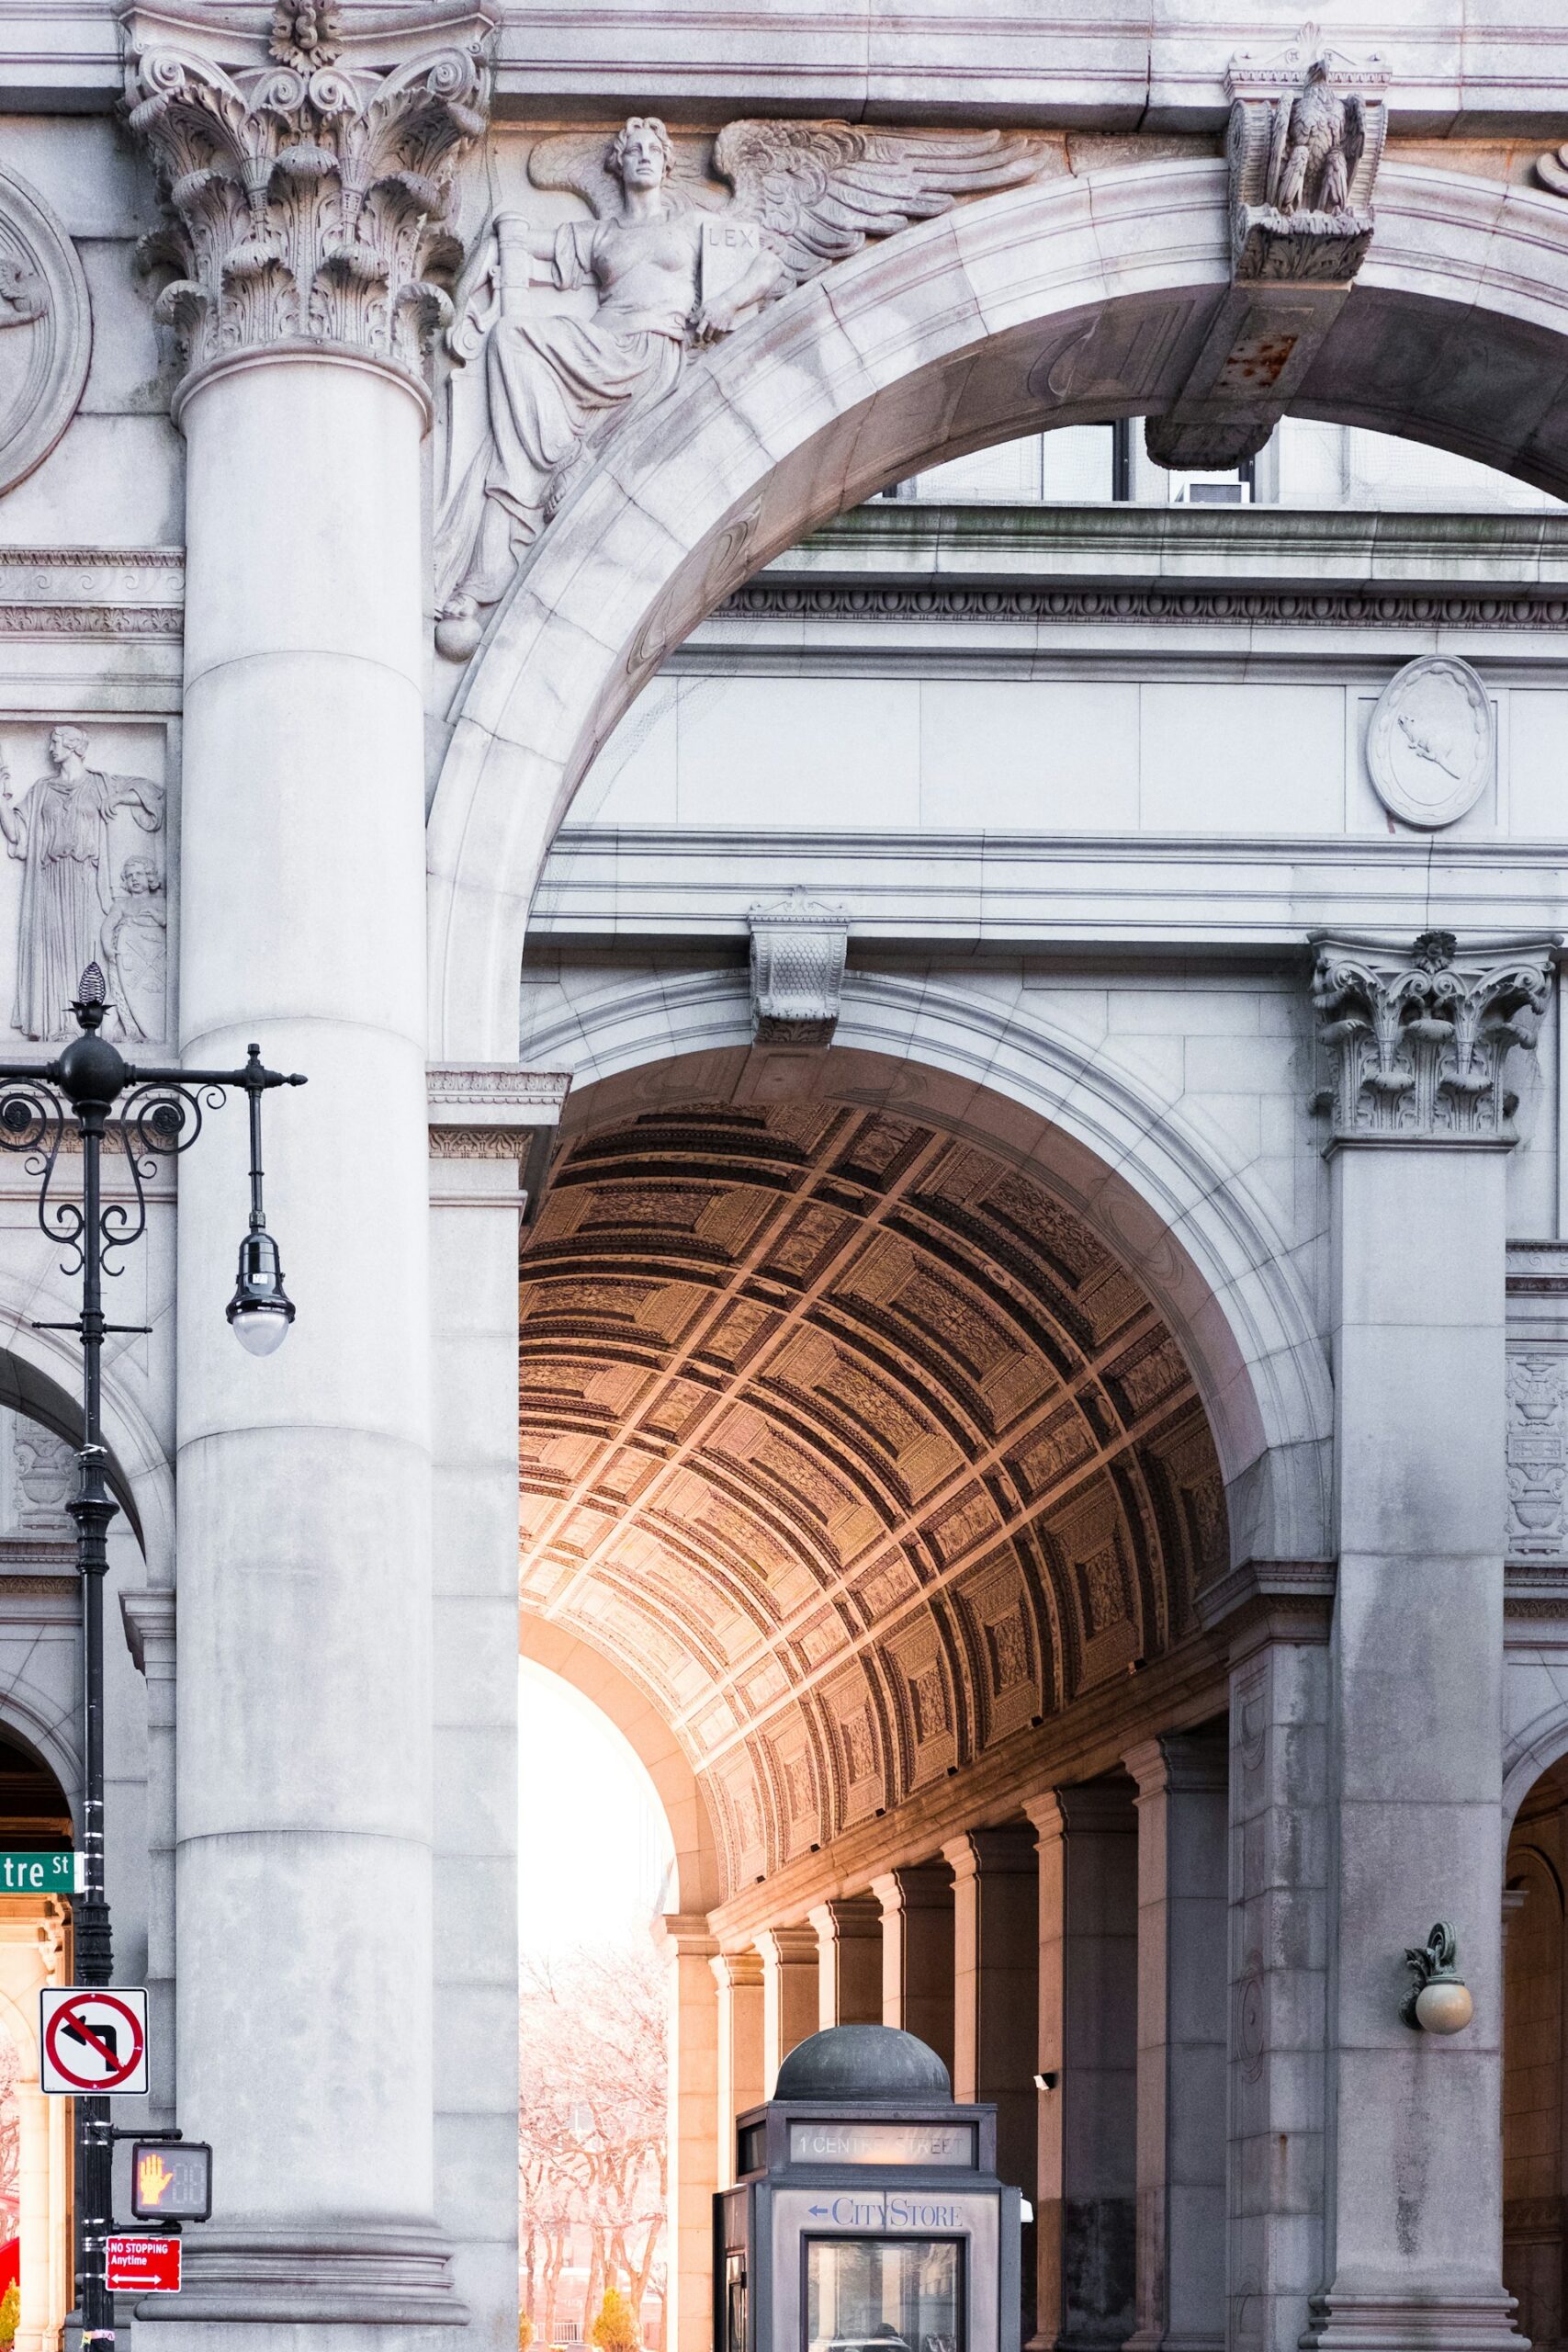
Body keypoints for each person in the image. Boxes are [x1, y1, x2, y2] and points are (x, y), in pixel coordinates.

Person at [435, 115, 781, 650]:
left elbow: (768, 263)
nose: (643, 156)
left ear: (667, 164)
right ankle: (558, 455)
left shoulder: (693, 225)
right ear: (617, 164)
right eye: (634, 149)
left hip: (653, 355)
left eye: (653, 150)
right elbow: (528, 249)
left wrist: (725, 301)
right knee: (509, 338)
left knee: (515, 361)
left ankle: (551, 464)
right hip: (599, 349)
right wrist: (504, 222)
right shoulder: (600, 235)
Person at [0, 726, 163, 1040]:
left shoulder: (99, 784)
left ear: (74, 746)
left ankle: (89, 1025)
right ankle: (62, 1026)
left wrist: (118, 797)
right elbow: (18, 833)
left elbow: (150, 791)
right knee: (54, 951)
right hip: (51, 879)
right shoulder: (42, 790)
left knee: (88, 947)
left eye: (56, 743)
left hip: (88, 878)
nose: (50, 749)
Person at [99, 855, 167, 1044]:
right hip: (125, 962)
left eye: (139, 874)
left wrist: (154, 913)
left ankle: (145, 1030)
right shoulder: (122, 905)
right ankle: (115, 1033)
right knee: (117, 995)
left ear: (150, 876)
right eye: (129, 876)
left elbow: (167, 923)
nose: (134, 879)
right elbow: (108, 926)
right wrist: (107, 947)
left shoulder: (161, 904)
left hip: (153, 965)